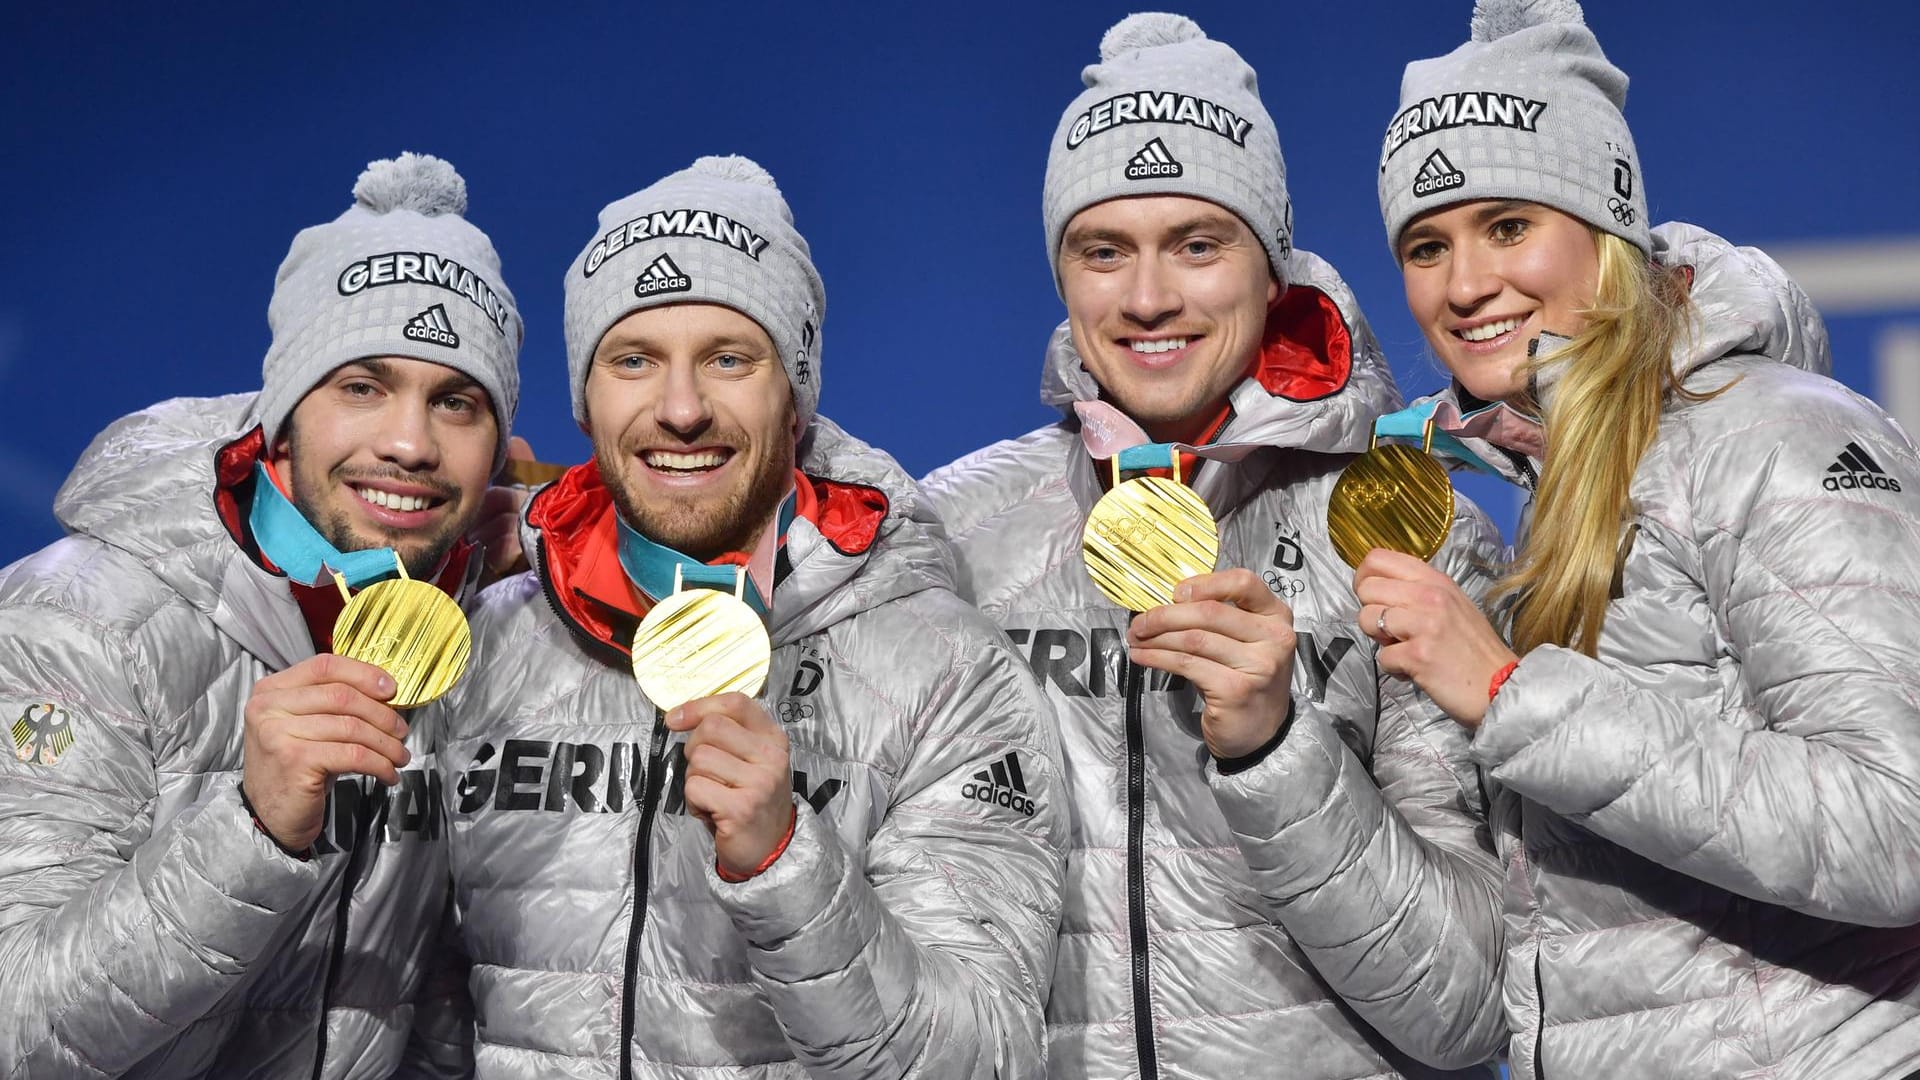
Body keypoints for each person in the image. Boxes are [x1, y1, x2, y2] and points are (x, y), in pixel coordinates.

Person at [922, 15, 1507, 1079]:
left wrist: (1279, 752)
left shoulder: (1420, 539)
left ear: (1273, 261)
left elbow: (1471, 1011)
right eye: (1106, 251)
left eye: (1198, 244)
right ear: (1062, 273)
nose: (1148, 299)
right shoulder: (954, 535)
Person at [1359, 1, 1920, 1076]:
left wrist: (1513, 691)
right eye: (1428, 245)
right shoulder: (1553, 481)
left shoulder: (1776, 434)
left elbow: (1897, 825)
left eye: (1509, 226)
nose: (1465, 284)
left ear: (1606, 226)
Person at [435, 155, 1067, 1079]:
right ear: (585, 398)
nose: (681, 409)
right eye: (634, 360)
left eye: (729, 359)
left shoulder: (945, 672)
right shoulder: (486, 643)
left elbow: (986, 1056)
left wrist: (786, 867)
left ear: (795, 391)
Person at [0, 153, 525, 1078]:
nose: (409, 443)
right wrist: (252, 829)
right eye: (362, 386)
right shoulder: (76, 624)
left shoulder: (461, 622)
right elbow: (16, 1031)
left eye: (456, 402)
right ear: (284, 414)